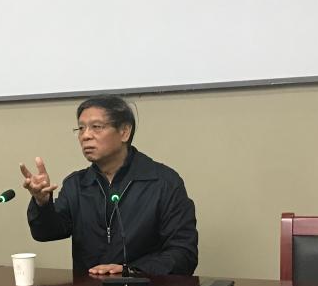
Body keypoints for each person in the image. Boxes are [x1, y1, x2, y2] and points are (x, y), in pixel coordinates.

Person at [19, 95, 198, 275]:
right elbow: (46, 233)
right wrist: (42, 203)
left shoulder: (163, 182)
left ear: (124, 132)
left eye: (96, 127)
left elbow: (184, 254)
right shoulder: (77, 185)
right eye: (81, 128)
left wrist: (131, 271)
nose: (86, 136)